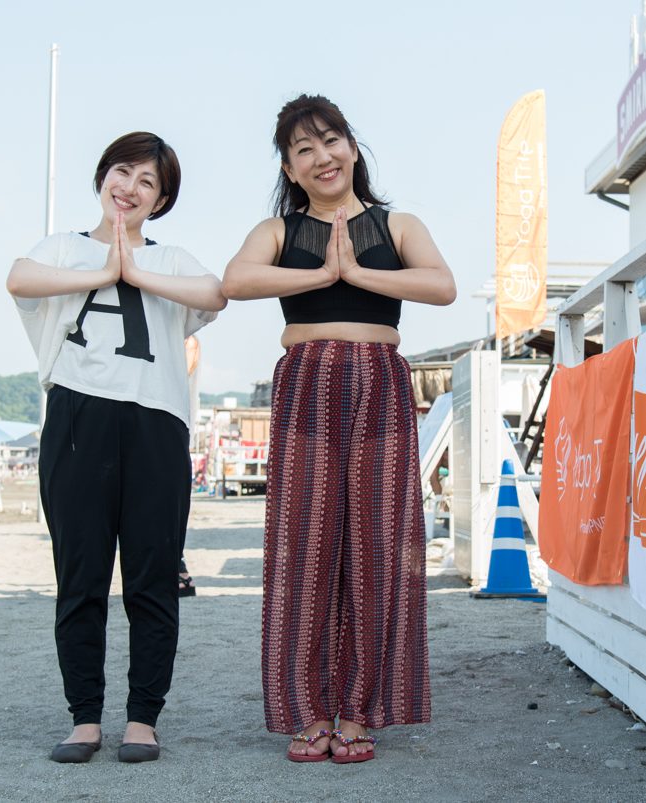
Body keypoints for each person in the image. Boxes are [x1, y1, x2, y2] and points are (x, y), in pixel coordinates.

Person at [222, 95, 456, 764]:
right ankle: (305, 709)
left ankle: (359, 709)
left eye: (330, 141)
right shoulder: (280, 230)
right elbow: (234, 280)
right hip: (306, 378)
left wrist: (357, 271)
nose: (321, 156)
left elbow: (441, 285)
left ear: (352, 147)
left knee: (381, 545)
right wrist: (322, 272)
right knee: (304, 545)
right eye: (303, 149)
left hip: (379, 377)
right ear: (290, 169)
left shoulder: (395, 223)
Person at [6, 132, 226, 763]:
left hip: (157, 423)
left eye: (147, 182)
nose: (130, 188)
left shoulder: (175, 259)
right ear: (103, 176)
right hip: (77, 417)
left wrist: (138, 270)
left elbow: (215, 296)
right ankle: (83, 717)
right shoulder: (60, 249)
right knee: (81, 573)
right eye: (123, 172)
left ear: (160, 201)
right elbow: (18, 279)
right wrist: (106, 270)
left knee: (151, 576)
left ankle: (143, 719)